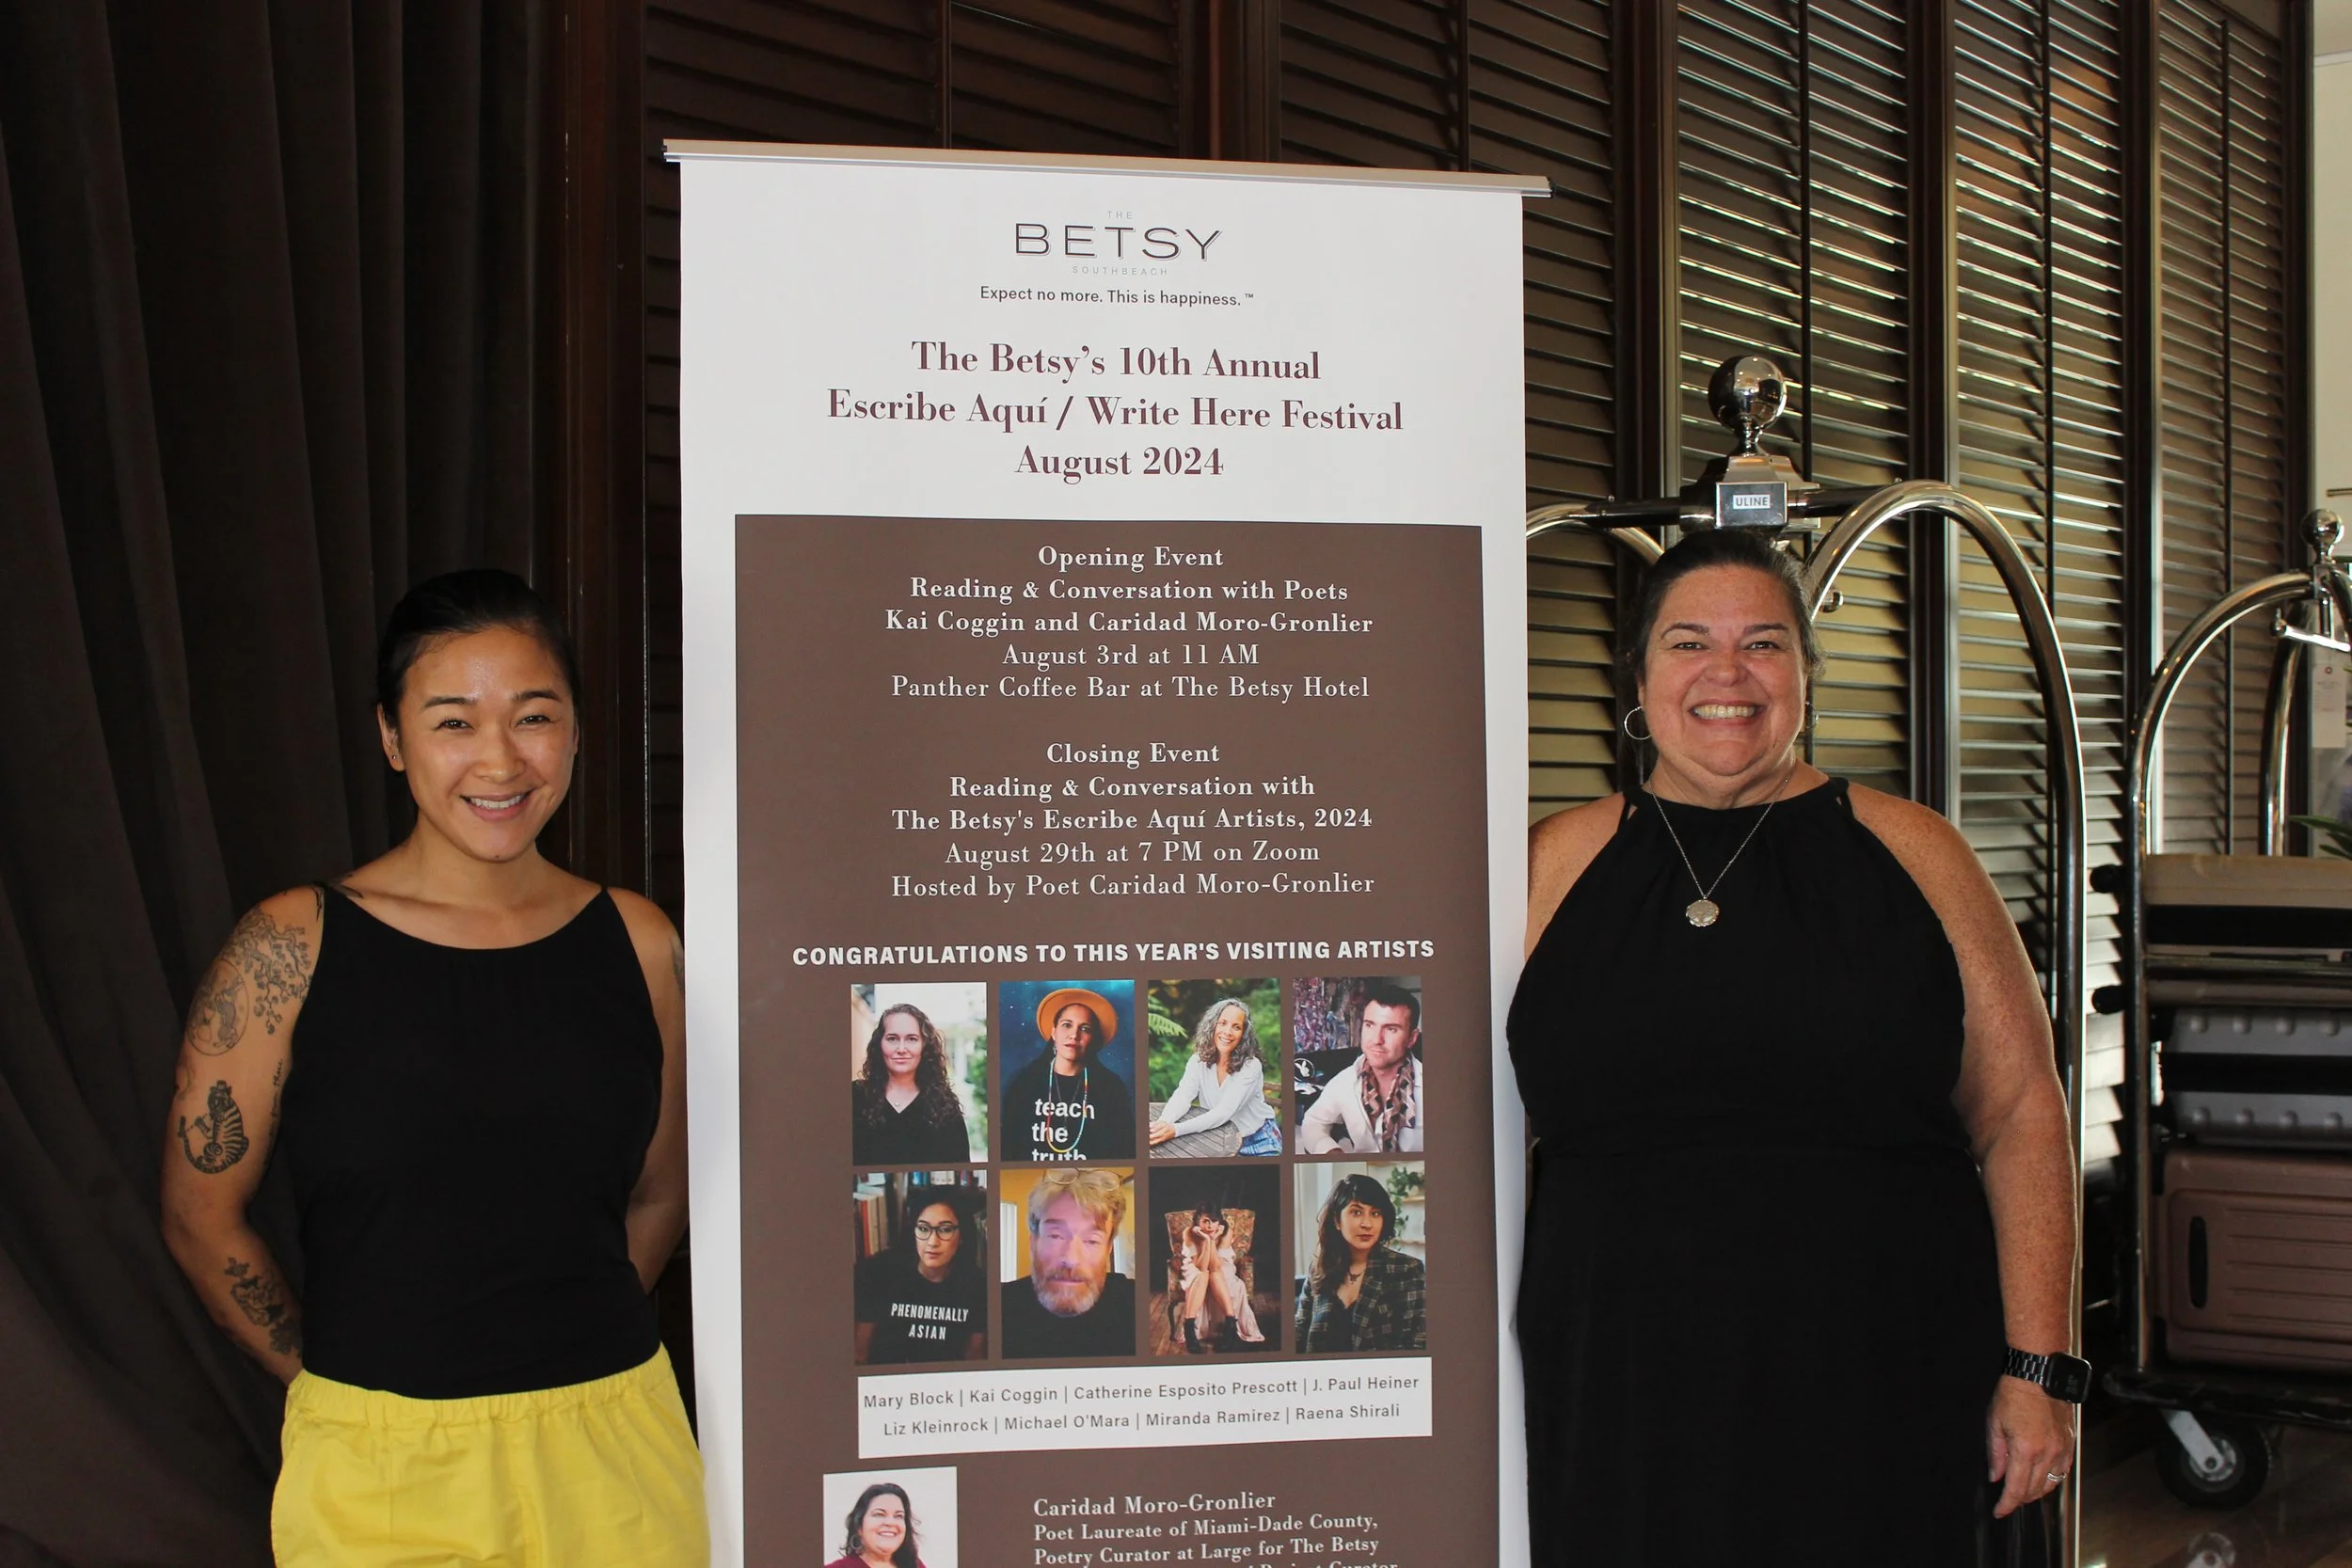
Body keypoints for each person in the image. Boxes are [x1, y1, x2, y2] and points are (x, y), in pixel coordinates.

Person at [1511, 528, 2077, 1566]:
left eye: (1763, 644)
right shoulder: (1553, 862)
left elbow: (2020, 1113)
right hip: (1621, 1388)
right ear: (1637, 677)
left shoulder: (1916, 851)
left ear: (1805, 676)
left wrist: (2039, 1370)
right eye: (1689, 642)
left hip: (1888, 1376)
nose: (1726, 673)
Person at [157, 569, 705, 1567]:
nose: (499, 758)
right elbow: (200, 1212)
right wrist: (327, 1384)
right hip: (381, 1461)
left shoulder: (639, 938)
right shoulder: (292, 944)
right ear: (391, 736)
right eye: (454, 721)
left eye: (534, 715)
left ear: (577, 729)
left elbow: (660, 1188)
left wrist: (552, 1342)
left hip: (617, 1441)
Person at [1001, 1167, 1136, 1357]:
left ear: (1108, 1249)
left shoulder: (1136, 1305)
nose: (1071, 1259)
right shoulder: (997, 1308)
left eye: (1092, 1240)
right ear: (1033, 1242)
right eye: (1055, 1236)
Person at [855, 1186, 987, 1364]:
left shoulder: (977, 1287)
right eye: (924, 1229)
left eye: (945, 1230)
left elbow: (974, 1357)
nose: (933, 1242)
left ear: (962, 1235)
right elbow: (860, 1353)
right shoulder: (880, 1272)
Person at [1293, 1173, 1423, 1352]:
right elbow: (1299, 1332)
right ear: (1337, 1220)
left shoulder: (1406, 1269)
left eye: (1375, 1213)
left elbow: (1416, 1344)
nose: (1367, 1224)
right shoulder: (1318, 1269)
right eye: (1356, 1212)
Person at [1004, 987, 1135, 1161]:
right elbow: (1007, 1147)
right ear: (1054, 1032)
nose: (1074, 1035)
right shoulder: (1023, 1083)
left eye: (1085, 1029)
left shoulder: (1111, 1088)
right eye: (1067, 1025)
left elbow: (1123, 1150)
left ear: (1093, 1038)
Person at [1296, 983, 1423, 1154]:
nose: (1377, 1039)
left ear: (1412, 1038)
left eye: (1391, 1029)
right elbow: (1313, 1122)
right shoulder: (1345, 1081)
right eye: (1370, 1025)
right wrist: (1330, 1151)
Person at [1150, 997, 1281, 1157]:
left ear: (1243, 1034)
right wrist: (1164, 1122)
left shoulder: (1251, 1066)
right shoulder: (1198, 1060)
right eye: (1223, 1023)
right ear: (1212, 1026)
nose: (1227, 1032)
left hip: (1258, 1139)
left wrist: (1176, 1130)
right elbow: (1183, 1096)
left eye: (1236, 1027)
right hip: (1219, 1136)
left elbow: (1223, 1112)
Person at [851, 1003, 974, 1164]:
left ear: (924, 1046)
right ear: (879, 1044)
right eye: (892, 1039)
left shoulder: (945, 1107)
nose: (901, 1049)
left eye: (911, 1039)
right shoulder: (854, 1097)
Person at [1174, 1205, 1263, 1353]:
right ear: (1197, 1222)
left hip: (1221, 1265)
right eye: (1205, 1221)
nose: (1210, 1226)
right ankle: (1190, 1329)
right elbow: (1202, 1266)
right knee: (1203, 1275)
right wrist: (1207, 1241)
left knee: (1215, 1274)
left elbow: (1215, 1266)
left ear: (1219, 1222)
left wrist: (1214, 1239)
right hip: (1196, 1267)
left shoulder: (1226, 1232)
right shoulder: (1189, 1233)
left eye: (1214, 1221)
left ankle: (1230, 1326)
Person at [824, 1481, 928, 1568]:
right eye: (879, 1514)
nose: (890, 1523)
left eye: (898, 1516)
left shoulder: (915, 1565)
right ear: (859, 1526)